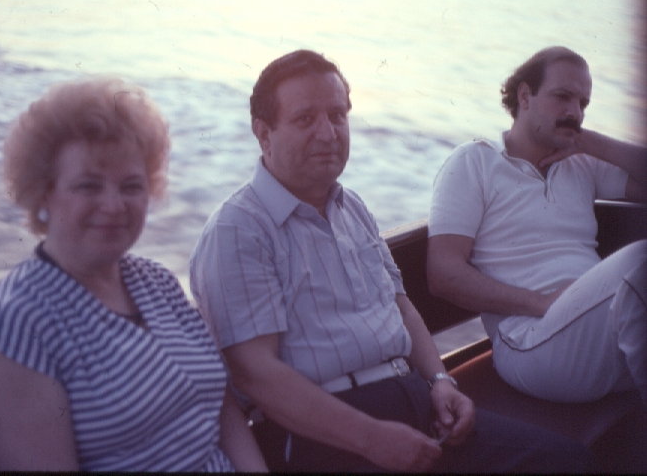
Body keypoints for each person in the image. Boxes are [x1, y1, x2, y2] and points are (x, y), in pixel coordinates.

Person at [190, 49, 594, 472]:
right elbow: (258, 376)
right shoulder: (238, 230)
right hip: (322, 433)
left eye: (338, 116)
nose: (328, 133)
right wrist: (372, 438)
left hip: (414, 402)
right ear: (263, 132)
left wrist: (441, 382)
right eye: (305, 119)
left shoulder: (352, 209)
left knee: (565, 462)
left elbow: (400, 307)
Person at [0, 78, 267, 472]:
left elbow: (222, 408)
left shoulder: (156, 282)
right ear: (42, 192)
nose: (114, 206)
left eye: (131, 186)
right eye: (89, 186)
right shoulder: (16, 326)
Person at [427, 46, 647, 406]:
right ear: (525, 95)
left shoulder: (582, 163)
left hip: (598, 334)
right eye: (563, 97)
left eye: (583, 104)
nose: (574, 112)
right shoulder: (474, 163)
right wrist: (540, 303)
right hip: (531, 343)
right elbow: (443, 273)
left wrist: (586, 140)